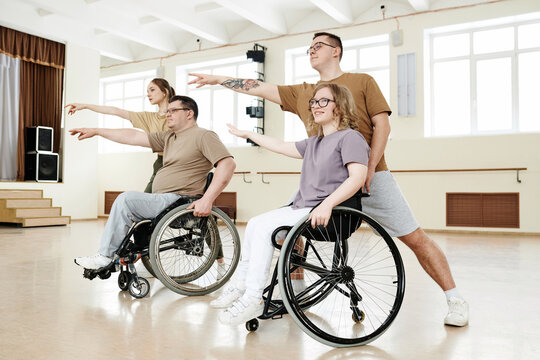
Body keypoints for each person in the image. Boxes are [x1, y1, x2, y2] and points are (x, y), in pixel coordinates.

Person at [188, 32, 469, 327]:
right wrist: (218, 79)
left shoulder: (362, 82)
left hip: (370, 175)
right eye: (309, 47)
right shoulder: (303, 92)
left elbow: (382, 125)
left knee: (414, 238)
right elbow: (258, 87)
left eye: (318, 46)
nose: (311, 50)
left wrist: (369, 167)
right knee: (287, 232)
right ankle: (293, 293)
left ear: (336, 51)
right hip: (323, 181)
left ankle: (455, 299)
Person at [211, 84, 369, 325]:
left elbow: (357, 177)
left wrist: (327, 205)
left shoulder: (350, 138)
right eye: (314, 102)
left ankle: (253, 297)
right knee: (254, 223)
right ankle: (241, 283)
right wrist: (249, 135)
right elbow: (281, 145)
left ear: (340, 105)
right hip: (305, 209)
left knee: (264, 228)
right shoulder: (315, 142)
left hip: (334, 213)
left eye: (323, 101)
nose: (316, 106)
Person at [69, 95, 236, 271]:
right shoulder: (170, 137)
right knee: (131, 206)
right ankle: (124, 257)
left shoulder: (204, 136)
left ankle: (105, 256)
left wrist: (207, 199)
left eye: (173, 111)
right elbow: (133, 136)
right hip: (164, 200)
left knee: (126, 200)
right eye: (167, 111)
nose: (167, 115)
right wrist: (97, 131)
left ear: (189, 113)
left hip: (180, 201)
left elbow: (228, 164)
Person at [66, 78, 175, 193]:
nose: (148, 94)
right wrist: (85, 106)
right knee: (146, 199)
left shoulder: (178, 113)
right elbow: (115, 111)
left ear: (165, 92)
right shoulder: (148, 117)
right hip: (160, 162)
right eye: (147, 91)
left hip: (179, 162)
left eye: (152, 90)